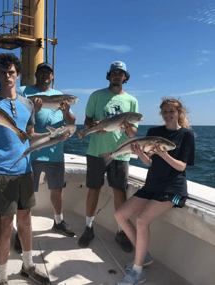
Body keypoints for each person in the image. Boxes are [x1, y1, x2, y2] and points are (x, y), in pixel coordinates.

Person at [0, 53, 49, 285]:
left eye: (11, 72)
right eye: (2, 73)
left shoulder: (28, 103)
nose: (7, 76)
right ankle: (3, 279)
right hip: (2, 172)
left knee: (26, 220)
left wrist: (53, 136)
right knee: (6, 226)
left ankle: (28, 266)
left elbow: (28, 135)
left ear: (17, 74)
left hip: (25, 170)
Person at [115, 98, 195, 285]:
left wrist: (164, 154)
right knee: (120, 214)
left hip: (173, 188)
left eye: (171, 112)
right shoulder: (154, 132)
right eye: (165, 112)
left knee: (142, 219)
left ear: (179, 113)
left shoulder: (186, 136)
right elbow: (150, 163)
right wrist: (141, 154)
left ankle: (138, 271)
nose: (167, 115)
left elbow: (181, 167)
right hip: (152, 185)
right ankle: (145, 255)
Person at [78, 61, 139, 252]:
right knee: (93, 189)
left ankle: (121, 232)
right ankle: (88, 228)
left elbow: (132, 133)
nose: (116, 76)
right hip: (96, 151)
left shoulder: (131, 101)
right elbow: (87, 121)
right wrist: (93, 126)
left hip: (120, 154)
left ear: (125, 77)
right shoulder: (97, 95)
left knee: (119, 192)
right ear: (109, 75)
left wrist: (129, 127)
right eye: (113, 73)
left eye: (120, 73)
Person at [15, 62, 76, 249]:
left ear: (52, 76)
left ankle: (58, 222)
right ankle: (21, 232)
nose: (45, 75)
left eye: (48, 72)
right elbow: (16, 115)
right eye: (41, 72)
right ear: (36, 74)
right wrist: (34, 110)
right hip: (31, 152)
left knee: (57, 190)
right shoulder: (25, 91)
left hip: (54, 152)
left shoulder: (60, 96)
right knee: (26, 195)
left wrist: (66, 112)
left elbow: (72, 121)